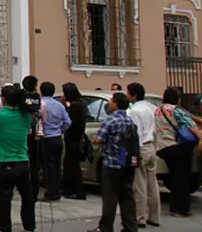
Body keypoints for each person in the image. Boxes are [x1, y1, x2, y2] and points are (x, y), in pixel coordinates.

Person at [0, 85, 36, 232]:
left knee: (4, 196)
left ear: (3, 100)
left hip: (5, 162)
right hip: (22, 161)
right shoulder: (26, 116)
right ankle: (29, 225)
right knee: (27, 196)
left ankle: (5, 226)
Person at [91, 92, 138, 232]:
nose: (110, 104)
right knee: (127, 196)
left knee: (110, 197)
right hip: (127, 162)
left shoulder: (110, 120)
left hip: (112, 162)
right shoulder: (129, 121)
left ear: (116, 104)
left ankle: (106, 226)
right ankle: (130, 226)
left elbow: (99, 138)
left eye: (111, 101)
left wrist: (94, 140)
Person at [153, 87, 202, 217]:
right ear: (177, 99)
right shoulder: (176, 110)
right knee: (182, 178)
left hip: (162, 148)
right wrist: (201, 138)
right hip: (177, 147)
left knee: (174, 177)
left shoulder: (157, 110)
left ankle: (173, 207)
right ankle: (181, 209)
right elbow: (190, 124)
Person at [126, 83, 160, 227]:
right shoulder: (149, 108)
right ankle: (154, 216)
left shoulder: (135, 111)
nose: (127, 96)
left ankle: (140, 217)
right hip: (150, 146)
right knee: (153, 183)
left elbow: (136, 133)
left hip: (141, 148)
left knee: (139, 185)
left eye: (128, 93)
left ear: (133, 95)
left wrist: (134, 153)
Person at [38, 81, 70, 202]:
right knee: (57, 166)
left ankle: (50, 192)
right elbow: (67, 122)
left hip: (46, 137)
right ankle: (56, 190)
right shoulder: (59, 105)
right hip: (57, 137)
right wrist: (60, 130)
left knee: (48, 166)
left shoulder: (41, 104)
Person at [61, 83, 88, 200]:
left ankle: (74, 190)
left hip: (73, 140)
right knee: (72, 165)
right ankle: (74, 190)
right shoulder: (80, 104)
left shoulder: (76, 106)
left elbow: (70, 122)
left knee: (71, 166)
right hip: (76, 139)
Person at [21, 75, 43, 198]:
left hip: (24, 134)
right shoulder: (35, 99)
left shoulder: (22, 99)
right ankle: (33, 190)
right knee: (35, 164)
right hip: (34, 135)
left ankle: (28, 189)